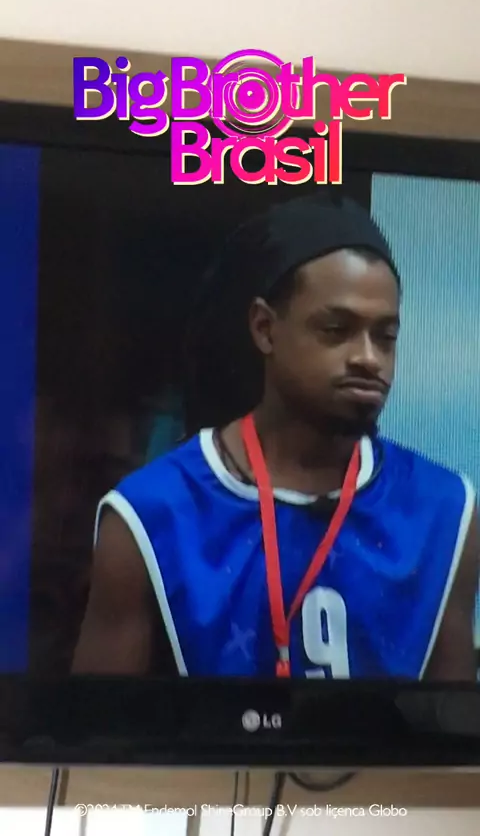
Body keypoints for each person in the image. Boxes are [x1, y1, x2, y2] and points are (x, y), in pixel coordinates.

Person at [72, 194, 479, 680]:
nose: (369, 358)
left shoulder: (445, 512)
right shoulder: (151, 515)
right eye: (337, 329)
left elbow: (450, 727)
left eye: (385, 336)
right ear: (265, 328)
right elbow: (97, 728)